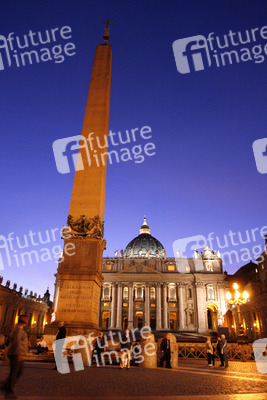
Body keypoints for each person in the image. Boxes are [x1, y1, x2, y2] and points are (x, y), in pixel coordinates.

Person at [0, 314, 28, 399]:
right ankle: (8, 390)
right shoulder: (18, 330)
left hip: (15, 353)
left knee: (17, 371)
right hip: (16, 354)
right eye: (26, 319)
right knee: (16, 372)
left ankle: (6, 385)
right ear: (23, 320)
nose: (27, 320)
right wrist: (19, 354)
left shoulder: (19, 328)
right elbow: (17, 342)